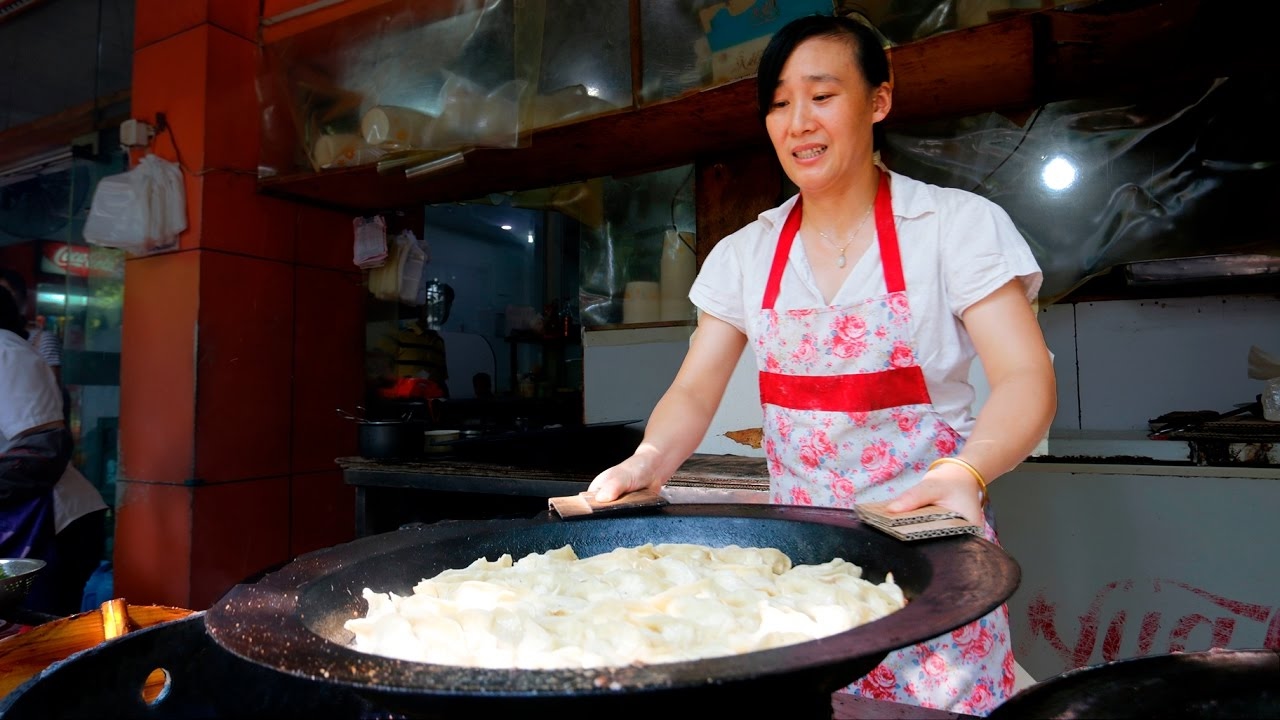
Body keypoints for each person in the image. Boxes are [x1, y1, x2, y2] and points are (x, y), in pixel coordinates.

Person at [588, 13, 1055, 716]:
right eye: (778, 103)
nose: (797, 122)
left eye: (822, 95)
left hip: (933, 567)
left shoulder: (955, 228)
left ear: (879, 100)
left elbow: (1025, 377)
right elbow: (693, 388)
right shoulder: (745, 257)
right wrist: (649, 461)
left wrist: (965, 471)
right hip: (805, 582)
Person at [0, 277, 107, 616]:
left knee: (40, 645)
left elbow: (43, 450)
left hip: (53, 525)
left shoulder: (6, 352)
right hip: (17, 526)